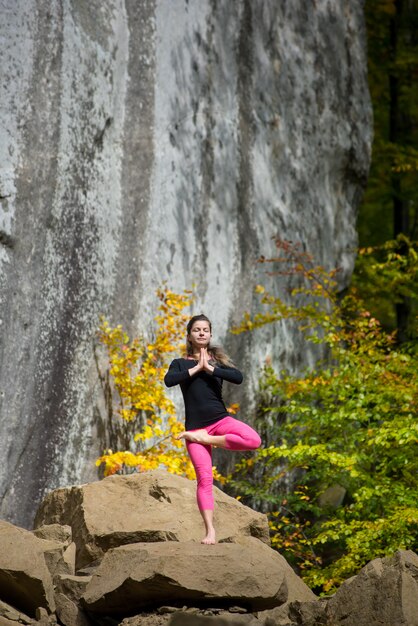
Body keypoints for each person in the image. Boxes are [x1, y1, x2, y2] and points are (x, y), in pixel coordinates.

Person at [164, 314, 261, 544]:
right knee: (205, 480)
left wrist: (210, 368)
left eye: (205, 330)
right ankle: (210, 532)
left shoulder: (217, 362)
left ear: (210, 334)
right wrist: (196, 368)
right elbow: (169, 380)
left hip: (219, 421)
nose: (201, 333)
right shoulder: (180, 362)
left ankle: (204, 439)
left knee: (253, 440)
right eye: (196, 329)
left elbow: (238, 377)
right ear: (189, 335)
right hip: (195, 426)